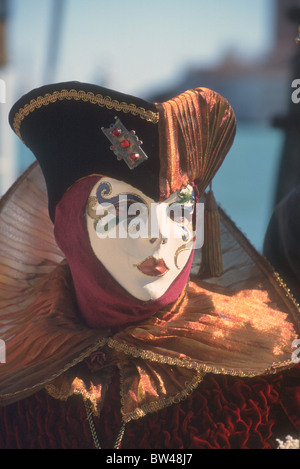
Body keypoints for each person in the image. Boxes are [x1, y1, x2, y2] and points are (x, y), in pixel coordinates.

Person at [0, 81, 299, 450]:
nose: (159, 236)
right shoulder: (14, 370)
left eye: (179, 209)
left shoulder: (273, 366)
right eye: (127, 210)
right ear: (69, 224)